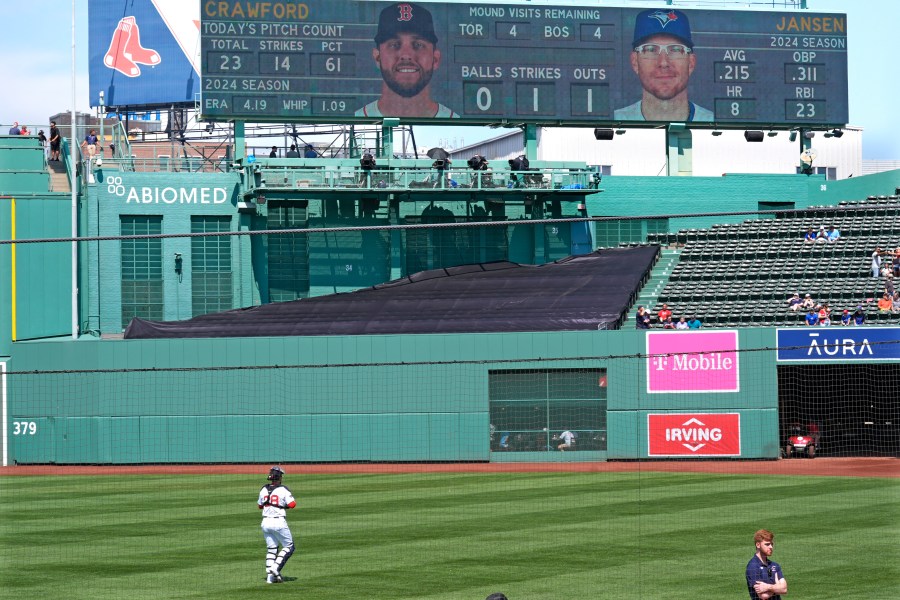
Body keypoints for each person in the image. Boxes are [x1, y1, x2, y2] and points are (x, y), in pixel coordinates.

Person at [355, 2, 459, 118]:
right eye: (394, 44)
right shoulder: (356, 117)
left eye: (418, 45)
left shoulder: (456, 120)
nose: (406, 55)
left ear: (435, 59)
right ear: (377, 57)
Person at [613, 9, 713, 122]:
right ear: (635, 61)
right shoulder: (614, 122)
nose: (663, 62)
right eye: (650, 49)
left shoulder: (714, 123)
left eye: (675, 49)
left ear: (691, 63)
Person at [258, 465, 297, 584]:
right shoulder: (283, 489)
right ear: (279, 477)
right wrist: (282, 505)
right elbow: (292, 504)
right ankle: (275, 568)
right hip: (278, 522)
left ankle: (270, 579)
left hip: (265, 522)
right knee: (289, 546)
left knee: (272, 549)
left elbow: (260, 506)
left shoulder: (263, 489)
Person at [745, 529, 787, 600]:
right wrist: (777, 587)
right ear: (758, 545)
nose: (771, 547)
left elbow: (784, 589)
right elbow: (763, 596)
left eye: (771, 544)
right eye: (767, 544)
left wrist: (767, 587)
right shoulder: (752, 567)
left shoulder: (775, 565)